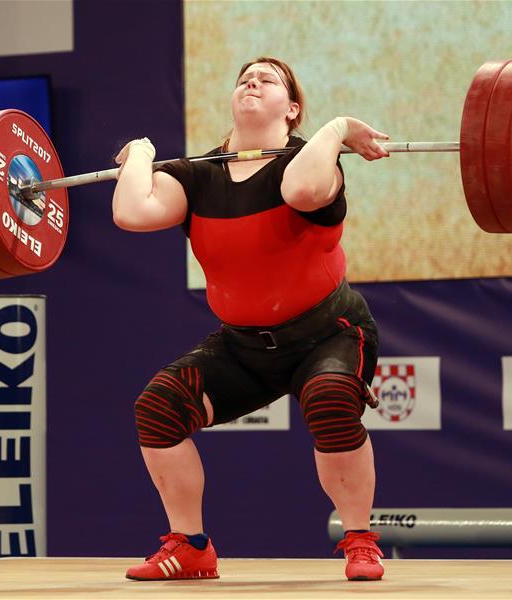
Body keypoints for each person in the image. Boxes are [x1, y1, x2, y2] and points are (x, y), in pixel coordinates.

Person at [111, 56, 390, 582]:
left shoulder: (313, 163)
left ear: (293, 109)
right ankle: (191, 547)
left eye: (269, 79)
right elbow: (132, 212)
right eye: (244, 77)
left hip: (328, 334)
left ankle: (359, 541)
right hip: (246, 346)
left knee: (330, 399)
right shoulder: (197, 177)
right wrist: (142, 155)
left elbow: (301, 192)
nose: (252, 81)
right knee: (158, 408)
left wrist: (338, 129)